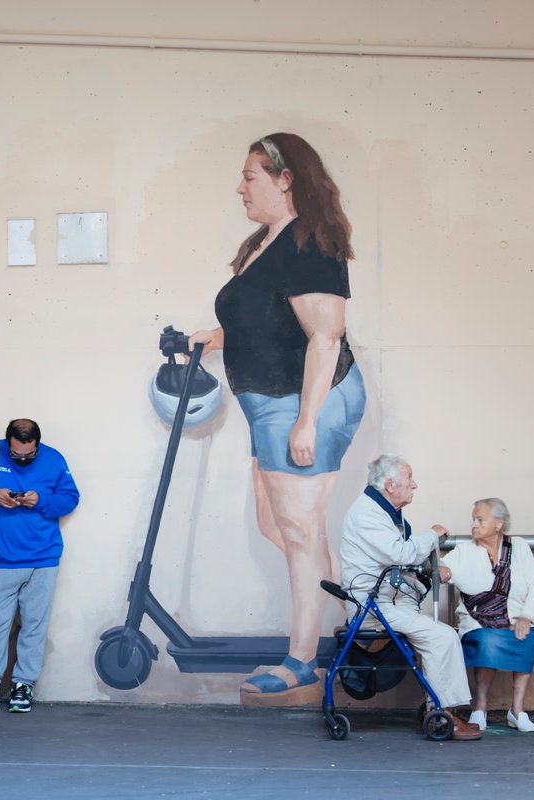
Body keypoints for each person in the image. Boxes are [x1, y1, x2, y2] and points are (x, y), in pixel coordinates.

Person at [187, 133, 366, 700]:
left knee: (299, 529)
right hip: (270, 403)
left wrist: (307, 420)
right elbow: (262, 322)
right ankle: (356, 626)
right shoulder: (267, 243)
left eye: (250, 176)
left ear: (286, 179)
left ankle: (302, 660)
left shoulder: (310, 245)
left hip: (309, 399)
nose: (240, 187)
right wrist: (212, 339)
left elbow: (326, 334)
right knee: (281, 527)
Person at [340, 454, 481, 740]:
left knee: (439, 636)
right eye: (409, 479)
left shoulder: (385, 514)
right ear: (391, 485)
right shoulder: (367, 514)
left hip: (390, 602)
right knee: (442, 637)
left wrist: (432, 567)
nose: (414, 485)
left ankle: (440, 708)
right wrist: (432, 534)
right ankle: (446, 715)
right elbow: (399, 553)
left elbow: (397, 559)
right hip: (373, 608)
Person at [0, 419, 80, 714]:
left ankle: (23, 685)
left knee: (34, 626)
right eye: (17, 455)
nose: (23, 459)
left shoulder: (54, 459)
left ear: (37, 444)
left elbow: (71, 498)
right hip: (3, 559)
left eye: (29, 454)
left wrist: (42, 500)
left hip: (44, 559)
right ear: (7, 443)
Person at [440, 498, 534, 732]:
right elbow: (442, 567)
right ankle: (480, 707)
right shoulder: (465, 550)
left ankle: (517, 711)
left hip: (516, 617)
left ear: (499, 524)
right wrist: (443, 570)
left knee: (526, 637)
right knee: (487, 639)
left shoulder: (518, 547)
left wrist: (526, 616)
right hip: (479, 619)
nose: (474, 525)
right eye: (473, 520)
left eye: (480, 520)